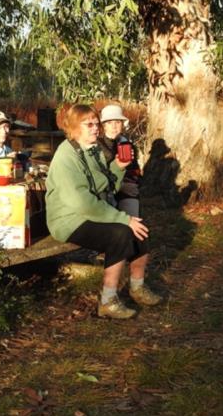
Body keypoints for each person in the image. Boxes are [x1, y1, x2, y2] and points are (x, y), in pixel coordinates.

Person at [45, 104, 161, 319]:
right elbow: (83, 203)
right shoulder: (66, 157)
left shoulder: (93, 150)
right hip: (68, 220)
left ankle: (137, 287)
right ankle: (108, 300)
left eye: (96, 123)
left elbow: (106, 186)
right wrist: (122, 219)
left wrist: (118, 166)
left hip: (90, 213)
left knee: (139, 228)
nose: (95, 128)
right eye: (89, 124)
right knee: (120, 233)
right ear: (73, 128)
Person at [98, 104, 142, 217]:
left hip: (126, 190)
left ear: (122, 125)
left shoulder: (128, 145)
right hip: (103, 190)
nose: (114, 126)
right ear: (104, 126)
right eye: (109, 122)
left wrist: (132, 183)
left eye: (117, 122)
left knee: (132, 218)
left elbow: (134, 170)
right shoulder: (96, 145)